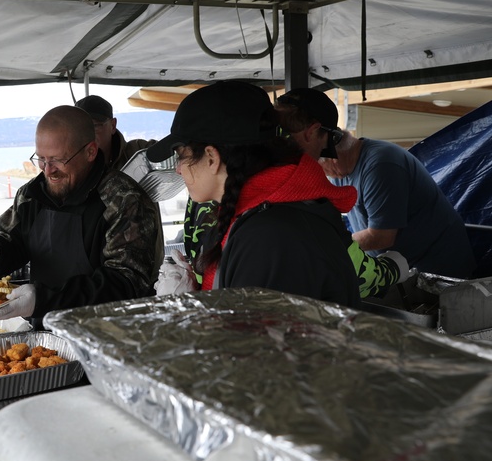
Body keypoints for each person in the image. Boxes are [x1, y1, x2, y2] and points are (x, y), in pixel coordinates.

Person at [148, 80, 365, 306]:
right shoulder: (258, 218)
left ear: (212, 157)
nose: (178, 168)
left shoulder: (270, 238)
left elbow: (251, 339)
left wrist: (184, 312)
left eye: (181, 155)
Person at [0, 105, 161, 325]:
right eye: (41, 159)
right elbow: (14, 240)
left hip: (106, 336)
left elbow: (126, 282)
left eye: (58, 160)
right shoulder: (31, 195)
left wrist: (45, 299)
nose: (48, 170)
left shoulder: (123, 200)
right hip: (46, 333)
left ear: (90, 152)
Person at [277, 88, 475, 279]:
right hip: (401, 268)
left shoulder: (381, 164)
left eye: (315, 162)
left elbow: (381, 237)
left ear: (331, 154)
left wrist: (326, 245)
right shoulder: (338, 173)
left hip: (438, 271)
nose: (315, 172)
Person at [75, 94, 153, 171]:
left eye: (95, 126)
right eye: (80, 128)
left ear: (112, 125)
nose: (87, 134)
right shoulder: (71, 166)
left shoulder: (137, 152)